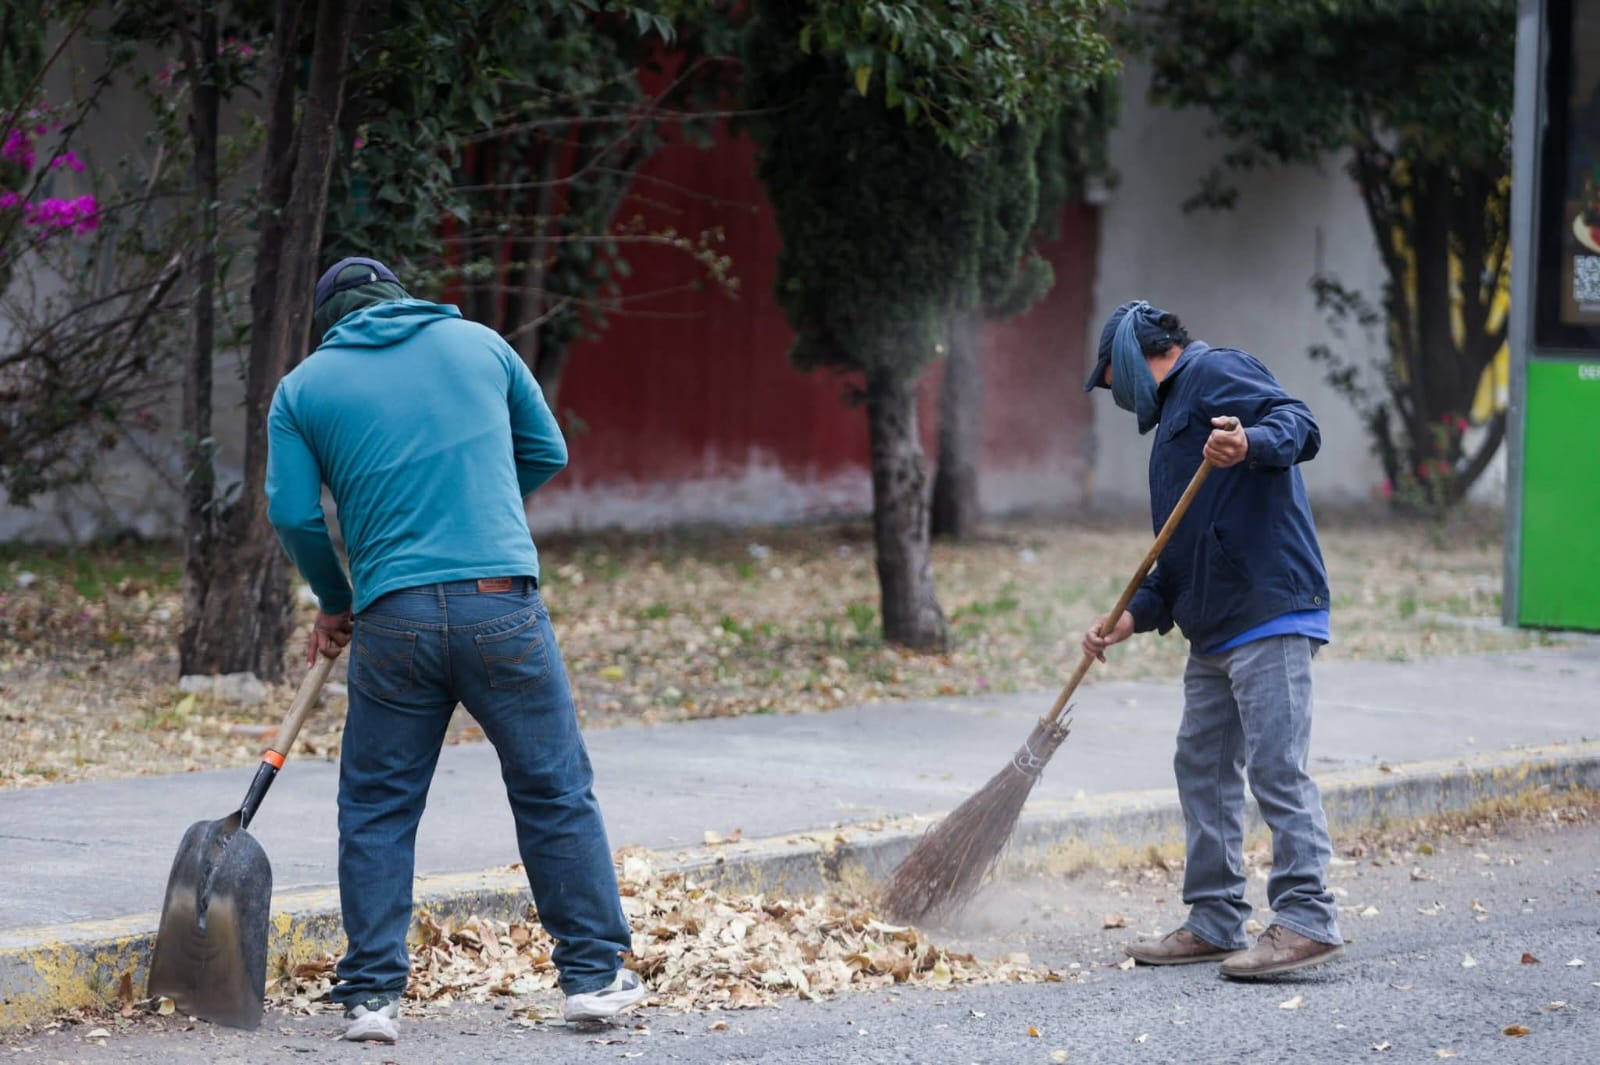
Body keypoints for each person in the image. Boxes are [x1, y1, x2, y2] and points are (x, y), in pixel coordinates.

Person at [266, 257, 644, 1043]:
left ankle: (371, 997)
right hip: (501, 606)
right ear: (401, 296)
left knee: (377, 804)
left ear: (331, 320)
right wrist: (475, 502)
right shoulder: (483, 346)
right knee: (554, 789)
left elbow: (294, 515)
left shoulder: (304, 387)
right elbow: (547, 451)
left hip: (392, 618)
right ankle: (594, 978)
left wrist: (336, 600)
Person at [1080, 300, 1344, 979]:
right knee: (1200, 764)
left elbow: (1299, 424)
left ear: (1137, 357)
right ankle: (1215, 917)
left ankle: (1307, 916)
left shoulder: (1218, 371)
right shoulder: (1170, 429)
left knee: (1276, 767)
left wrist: (1249, 442)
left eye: (1111, 376)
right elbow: (1174, 559)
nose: (1112, 392)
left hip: (1267, 609)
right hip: (1215, 625)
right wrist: (1130, 617)